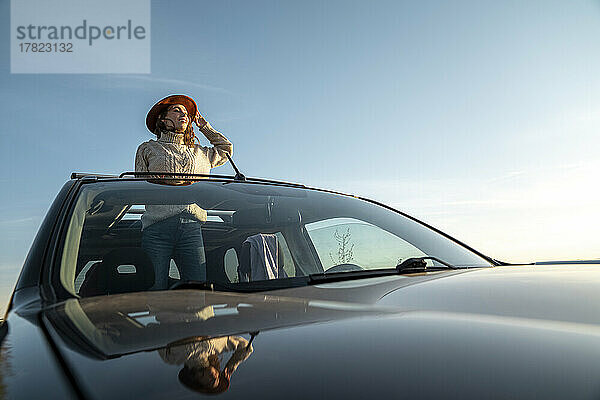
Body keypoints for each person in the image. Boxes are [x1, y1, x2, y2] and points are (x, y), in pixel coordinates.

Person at [135, 94, 233, 289]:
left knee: (197, 290)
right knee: (155, 289)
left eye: (187, 113)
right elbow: (140, 186)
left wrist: (204, 126)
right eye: (177, 110)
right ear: (162, 119)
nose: (184, 115)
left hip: (192, 228)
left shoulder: (202, 153)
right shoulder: (148, 148)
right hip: (156, 228)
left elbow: (225, 148)